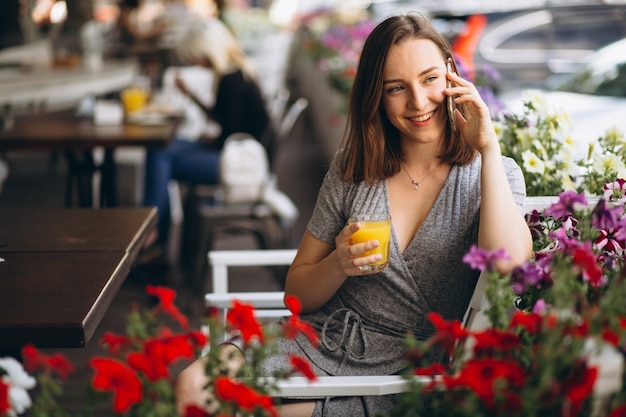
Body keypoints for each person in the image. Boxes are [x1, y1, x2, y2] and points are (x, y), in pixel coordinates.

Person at [174, 11, 532, 416]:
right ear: (376, 96)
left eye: (430, 79)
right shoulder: (354, 169)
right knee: (194, 385)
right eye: (396, 88)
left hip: (403, 368)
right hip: (319, 336)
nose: (418, 102)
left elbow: (509, 265)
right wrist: (338, 264)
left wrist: (489, 147)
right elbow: (296, 295)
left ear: (452, 74)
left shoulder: (492, 173)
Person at [142, 18, 270, 252]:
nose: (196, 63)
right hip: (241, 153)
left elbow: (227, 134)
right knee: (161, 151)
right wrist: (190, 94)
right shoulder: (238, 72)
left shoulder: (231, 81)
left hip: (238, 164)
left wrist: (211, 139)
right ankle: (154, 235)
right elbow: (224, 120)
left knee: (160, 157)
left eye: (197, 57)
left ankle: (153, 234)